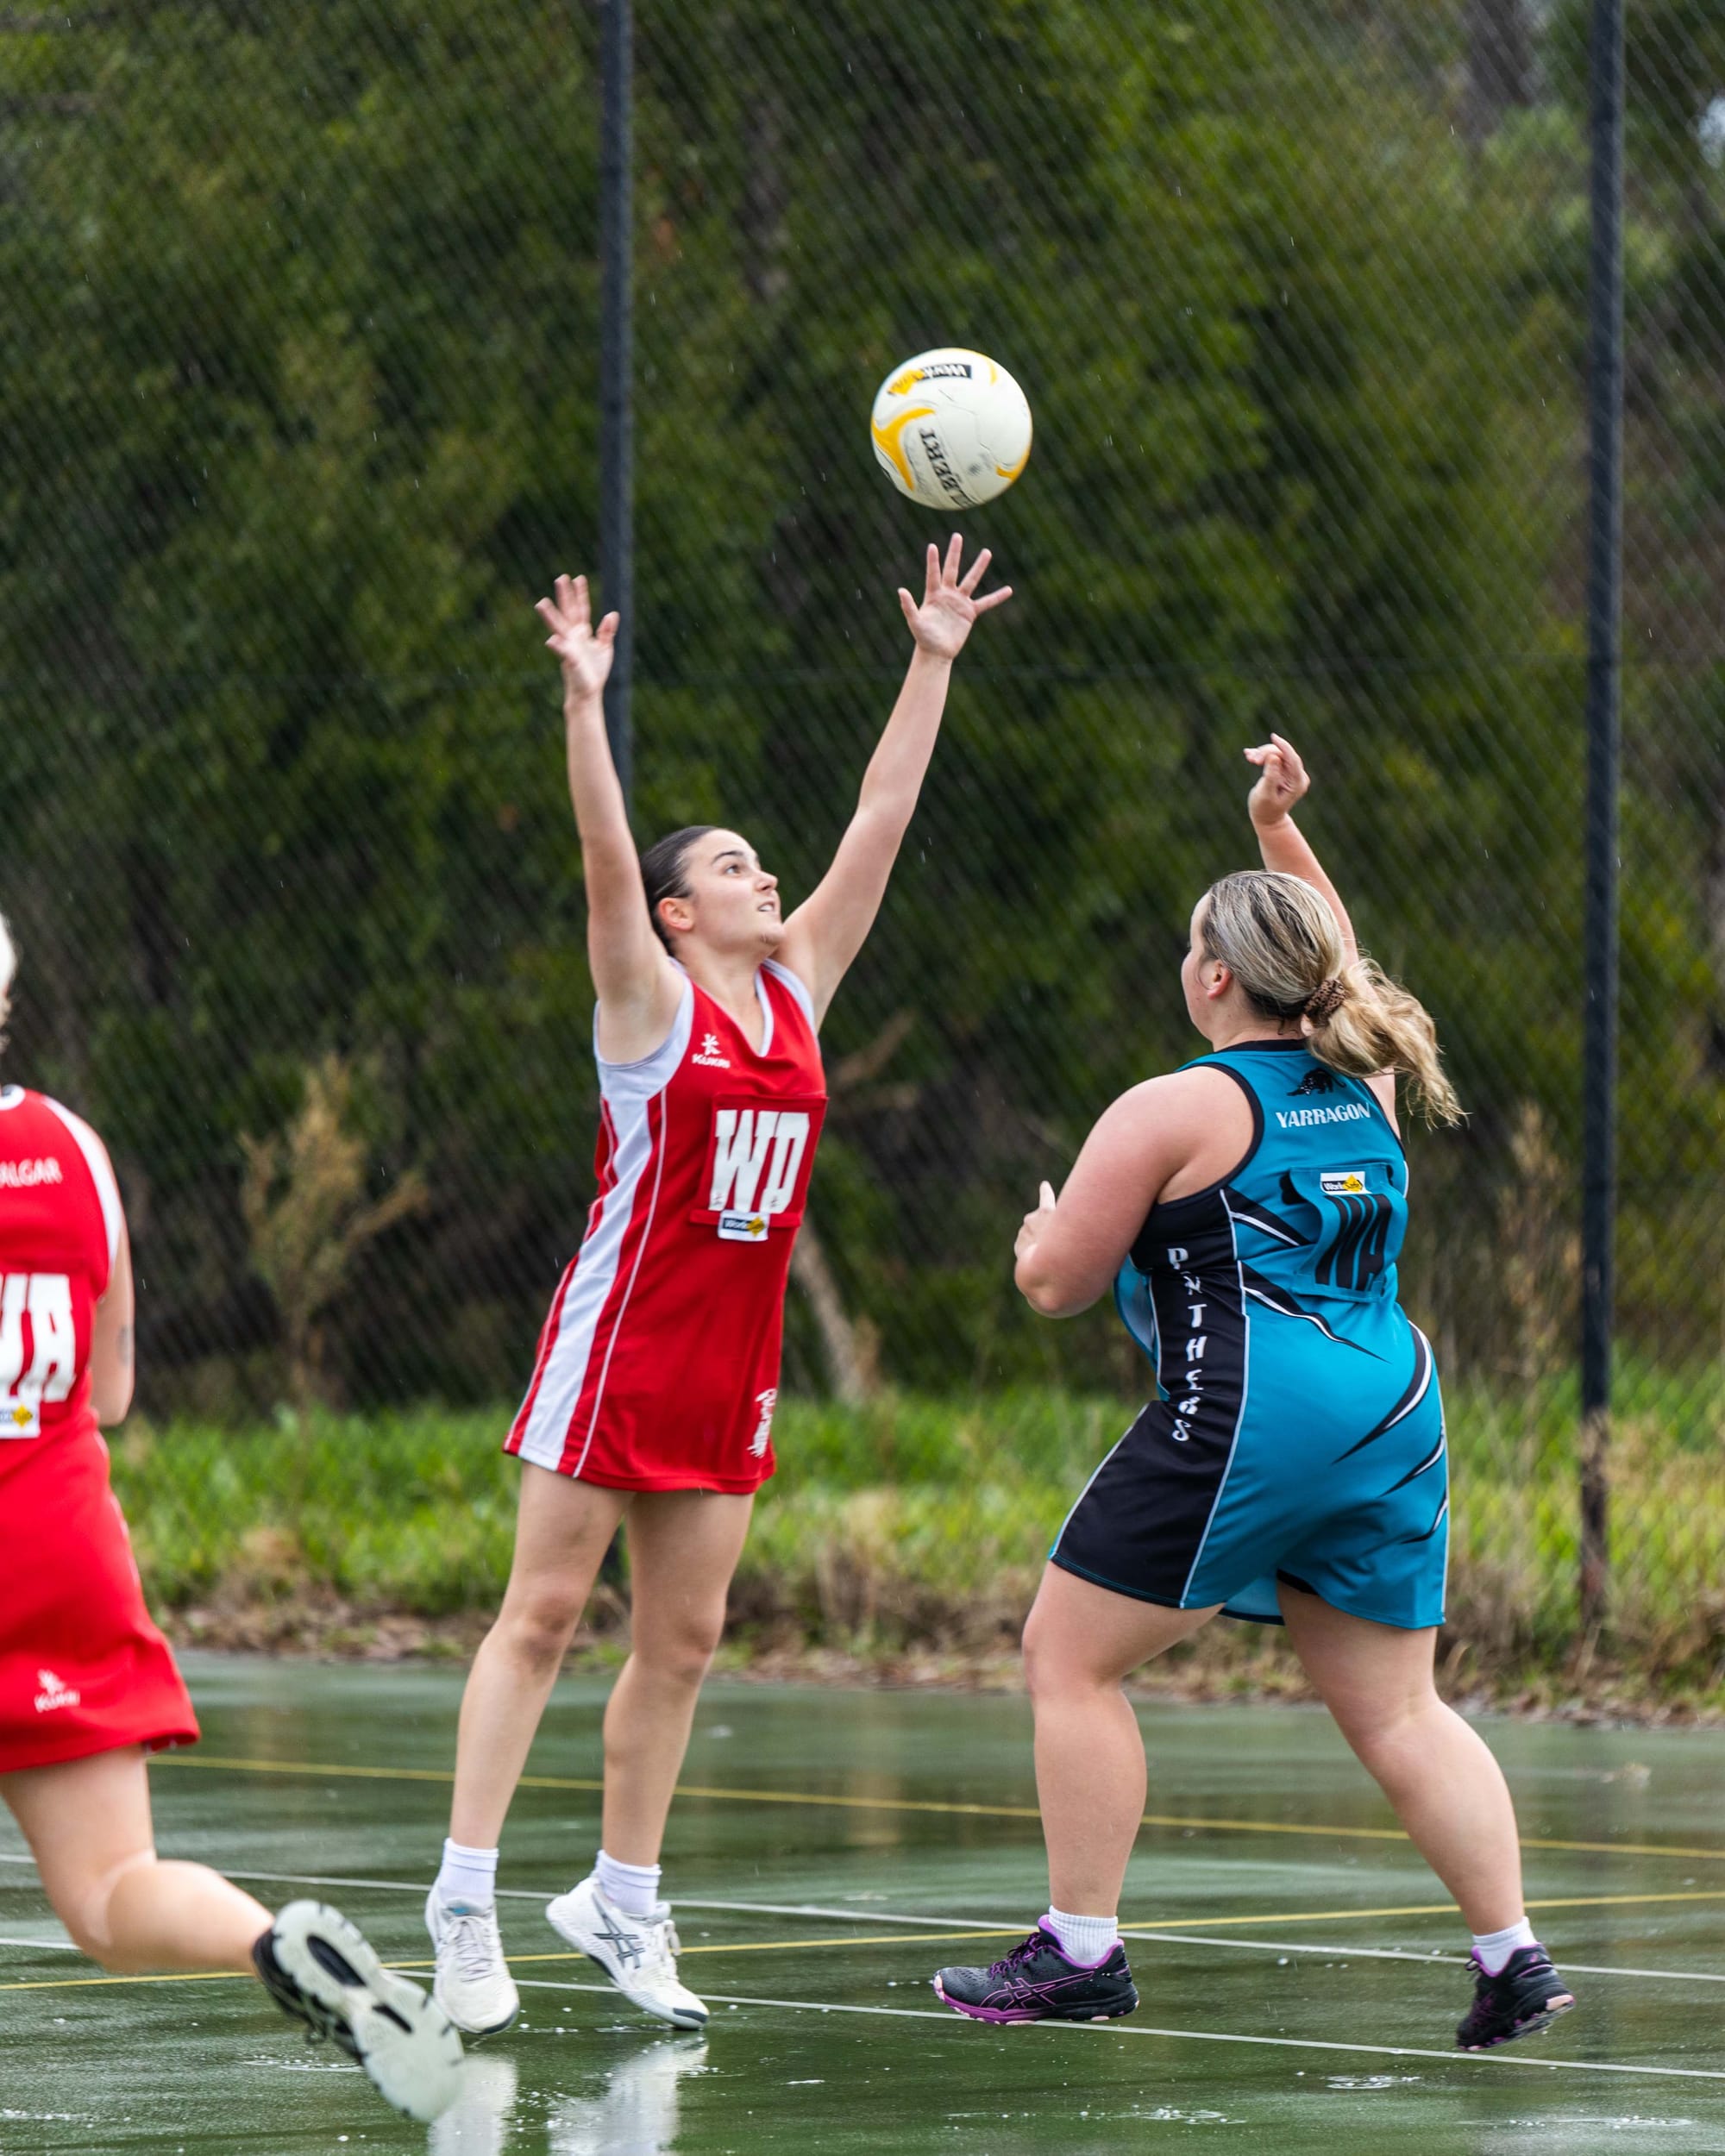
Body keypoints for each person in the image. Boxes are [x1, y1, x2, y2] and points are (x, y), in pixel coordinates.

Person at [427, 539, 1012, 2037]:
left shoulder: (801, 986)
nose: (764, 875)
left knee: (682, 1645)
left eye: (761, 861)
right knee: (544, 1615)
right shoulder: (647, 1001)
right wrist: (582, 708)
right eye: (733, 865)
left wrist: (932, 657)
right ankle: (464, 1901)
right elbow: (607, 862)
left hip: (727, 1369)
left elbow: (882, 817)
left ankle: (622, 1899)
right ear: (681, 915)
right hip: (616, 1351)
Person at [932, 736, 1576, 2053]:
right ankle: (1512, 1956)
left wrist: (1037, 1236)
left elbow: (1055, 1286)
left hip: (1252, 1412)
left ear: (1212, 975)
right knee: (1401, 1707)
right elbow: (1339, 953)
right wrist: (1278, 831)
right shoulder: (1367, 1087)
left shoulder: (1178, 1105)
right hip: (1394, 1406)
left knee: (1067, 1658)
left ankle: (1082, 1950)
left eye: (1190, 950)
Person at [0, 914, 463, 2120]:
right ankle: (278, 1952)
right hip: (61, 1546)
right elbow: (109, 1389)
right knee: (109, 1897)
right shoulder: (74, 1150)